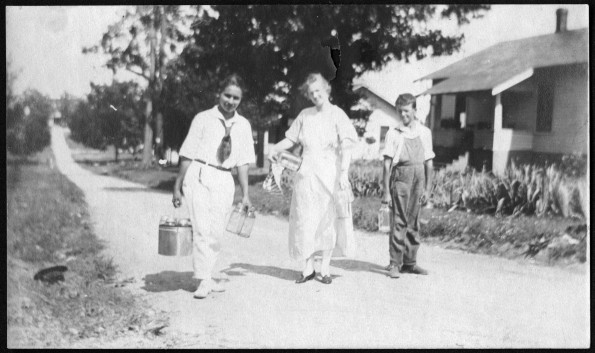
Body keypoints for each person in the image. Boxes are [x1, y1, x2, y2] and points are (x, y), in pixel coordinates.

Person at [268, 73, 358, 285]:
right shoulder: (304, 115)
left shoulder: (337, 114)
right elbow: (290, 139)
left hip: (329, 173)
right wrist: (274, 148)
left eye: (318, 91)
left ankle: (324, 267)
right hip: (306, 173)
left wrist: (344, 172)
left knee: (327, 220)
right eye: (311, 93)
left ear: (327, 90)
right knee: (305, 220)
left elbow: (347, 145)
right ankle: (307, 267)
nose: (315, 95)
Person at [172, 74, 256, 299]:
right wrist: (177, 185)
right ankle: (202, 279)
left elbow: (243, 163)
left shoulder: (244, 125)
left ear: (241, 100)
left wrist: (245, 194)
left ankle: (207, 275)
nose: (230, 101)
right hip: (199, 174)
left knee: (216, 232)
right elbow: (188, 153)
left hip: (224, 179)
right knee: (201, 229)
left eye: (236, 98)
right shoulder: (203, 118)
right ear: (219, 94)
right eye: (227, 95)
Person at [381, 93, 434, 278]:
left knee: (414, 221)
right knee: (399, 221)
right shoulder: (393, 133)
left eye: (406, 111)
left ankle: (410, 263)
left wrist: (428, 189)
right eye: (400, 111)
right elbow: (387, 164)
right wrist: (386, 191)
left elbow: (429, 163)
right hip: (401, 178)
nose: (403, 115)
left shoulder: (425, 132)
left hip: (419, 179)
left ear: (414, 110)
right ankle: (395, 263)